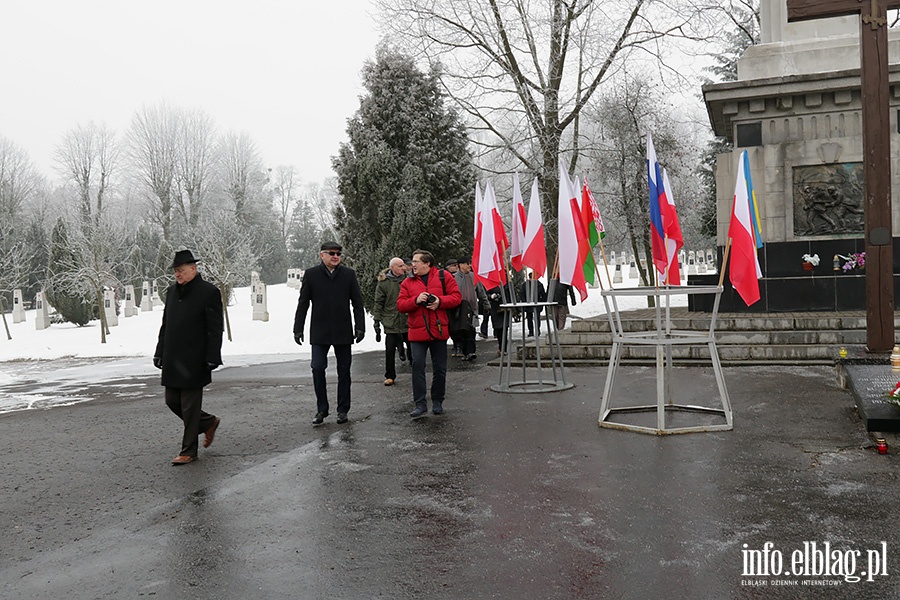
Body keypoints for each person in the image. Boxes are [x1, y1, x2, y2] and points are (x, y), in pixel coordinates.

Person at [154, 249, 223, 466]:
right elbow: (166, 324)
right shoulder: (172, 292)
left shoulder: (208, 292)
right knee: (172, 400)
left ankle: (188, 451)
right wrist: (159, 350)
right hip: (173, 357)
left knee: (189, 407)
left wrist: (213, 356)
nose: (177, 274)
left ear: (193, 269)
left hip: (195, 358)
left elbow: (215, 328)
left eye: (181, 270)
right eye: (175, 271)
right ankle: (209, 422)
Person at [294, 241, 365, 426]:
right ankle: (321, 409)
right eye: (331, 253)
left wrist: (360, 326)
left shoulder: (348, 274)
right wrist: (298, 328)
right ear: (322, 255)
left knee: (344, 371)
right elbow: (303, 303)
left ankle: (343, 410)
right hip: (320, 331)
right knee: (317, 368)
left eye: (338, 254)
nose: (335, 256)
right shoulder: (311, 274)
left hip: (343, 331)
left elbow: (357, 302)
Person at [397, 249, 461, 418]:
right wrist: (415, 300)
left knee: (440, 368)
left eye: (416, 261)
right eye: (412, 261)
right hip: (417, 333)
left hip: (438, 330)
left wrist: (440, 301)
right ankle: (420, 404)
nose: (413, 264)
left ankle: (438, 401)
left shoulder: (444, 276)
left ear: (427, 263)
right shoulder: (407, 282)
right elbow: (401, 305)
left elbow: (456, 298)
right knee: (417, 366)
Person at [372, 257, 409, 386]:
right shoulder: (384, 283)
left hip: (407, 320)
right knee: (389, 350)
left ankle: (416, 372)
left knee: (413, 349)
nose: (403, 268)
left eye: (403, 265)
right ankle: (390, 376)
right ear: (392, 267)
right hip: (391, 321)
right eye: (400, 266)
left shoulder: (408, 280)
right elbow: (379, 302)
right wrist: (376, 320)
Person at [454, 257, 479, 361]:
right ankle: (464, 351)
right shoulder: (453, 278)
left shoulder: (474, 277)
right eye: (467, 264)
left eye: (470, 263)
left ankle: (471, 352)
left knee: (472, 330)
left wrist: (486, 304)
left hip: (472, 308)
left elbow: (480, 291)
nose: (469, 266)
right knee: (463, 330)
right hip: (459, 308)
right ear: (460, 265)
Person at [519, 271, 547, 337]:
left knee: (537, 318)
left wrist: (542, 302)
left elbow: (543, 294)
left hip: (537, 304)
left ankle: (537, 330)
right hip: (528, 305)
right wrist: (524, 302)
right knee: (529, 318)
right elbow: (522, 294)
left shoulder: (539, 285)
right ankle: (531, 331)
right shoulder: (525, 285)